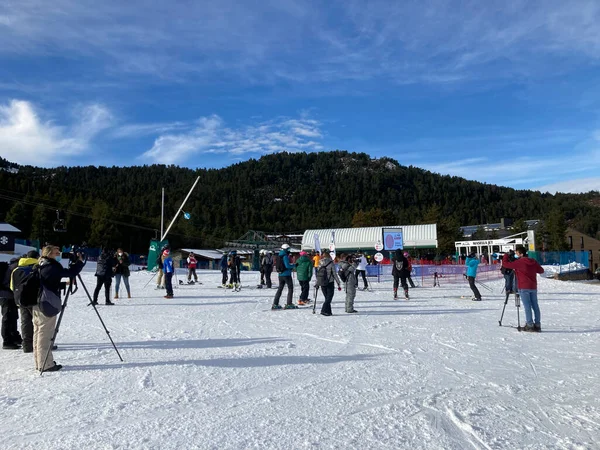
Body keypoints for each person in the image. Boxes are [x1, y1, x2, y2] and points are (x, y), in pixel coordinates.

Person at [36, 245, 84, 372]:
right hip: (46, 303)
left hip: (38, 302)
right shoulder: (52, 266)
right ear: (50, 254)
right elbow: (71, 272)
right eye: (56, 253)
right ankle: (45, 365)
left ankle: (40, 362)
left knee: (38, 332)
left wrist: (64, 284)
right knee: (45, 334)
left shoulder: (41, 264)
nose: (59, 256)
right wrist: (79, 262)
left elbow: (48, 282)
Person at [502, 246, 544, 332]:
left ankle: (529, 324)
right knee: (535, 305)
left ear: (521, 254)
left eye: (517, 253)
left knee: (527, 306)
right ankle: (537, 324)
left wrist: (506, 255)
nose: (516, 254)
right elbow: (541, 270)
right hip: (533, 286)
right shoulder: (533, 261)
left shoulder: (519, 262)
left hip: (523, 287)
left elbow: (505, 264)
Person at [10, 250, 40, 353]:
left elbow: (12, 286)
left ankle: (27, 346)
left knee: (25, 322)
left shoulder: (16, 269)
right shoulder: (36, 268)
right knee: (38, 323)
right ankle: (39, 344)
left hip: (20, 299)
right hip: (34, 299)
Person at [1, 257, 21, 350]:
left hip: (8, 295)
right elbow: (10, 283)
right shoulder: (14, 268)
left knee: (12, 316)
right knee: (8, 318)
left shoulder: (11, 267)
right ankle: (7, 341)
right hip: (7, 295)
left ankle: (14, 337)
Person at [316, 249, 342, 316]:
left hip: (322, 282)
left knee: (327, 298)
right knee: (329, 297)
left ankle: (328, 311)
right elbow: (334, 273)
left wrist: (317, 283)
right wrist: (338, 282)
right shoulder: (331, 263)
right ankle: (324, 310)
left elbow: (318, 274)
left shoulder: (319, 262)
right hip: (330, 281)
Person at [272, 244, 297, 310]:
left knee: (280, 289)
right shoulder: (285, 256)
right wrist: (294, 265)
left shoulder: (279, 255)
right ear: (285, 249)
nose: (289, 251)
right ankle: (289, 303)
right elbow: (287, 266)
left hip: (280, 275)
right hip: (287, 274)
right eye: (288, 249)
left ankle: (275, 303)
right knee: (290, 288)